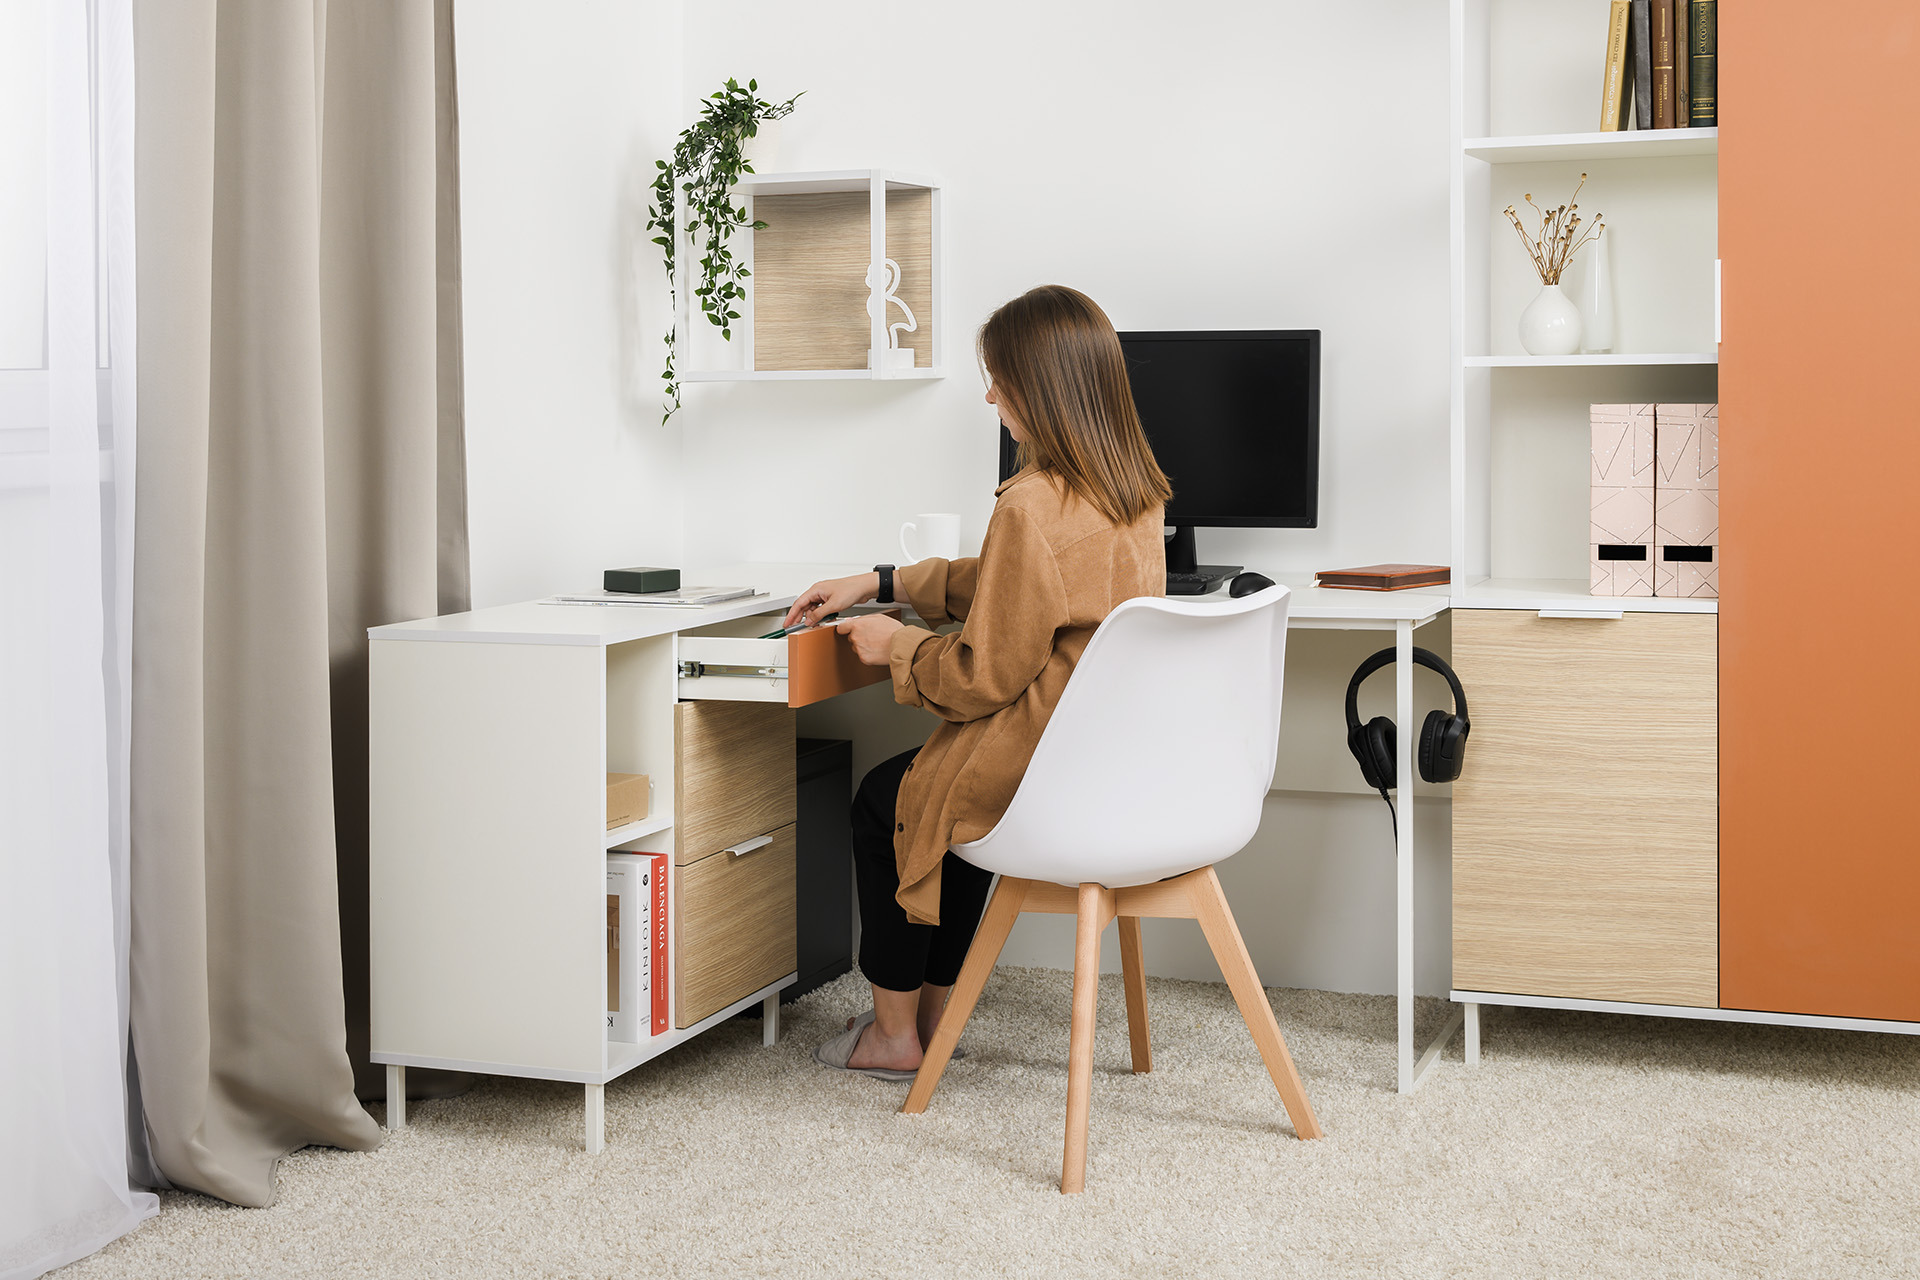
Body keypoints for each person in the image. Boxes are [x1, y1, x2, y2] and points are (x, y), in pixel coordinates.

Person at [798, 284, 1171, 1080]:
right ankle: (937, 1017)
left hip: (1038, 771)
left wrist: (897, 645)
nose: (991, 396)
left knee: (894, 803)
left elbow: (980, 676)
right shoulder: (1134, 494)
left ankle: (894, 1036)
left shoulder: (1031, 506)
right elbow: (1016, 585)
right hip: (1102, 763)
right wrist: (885, 579)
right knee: (943, 806)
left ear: (1041, 386)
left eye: (1000, 379)